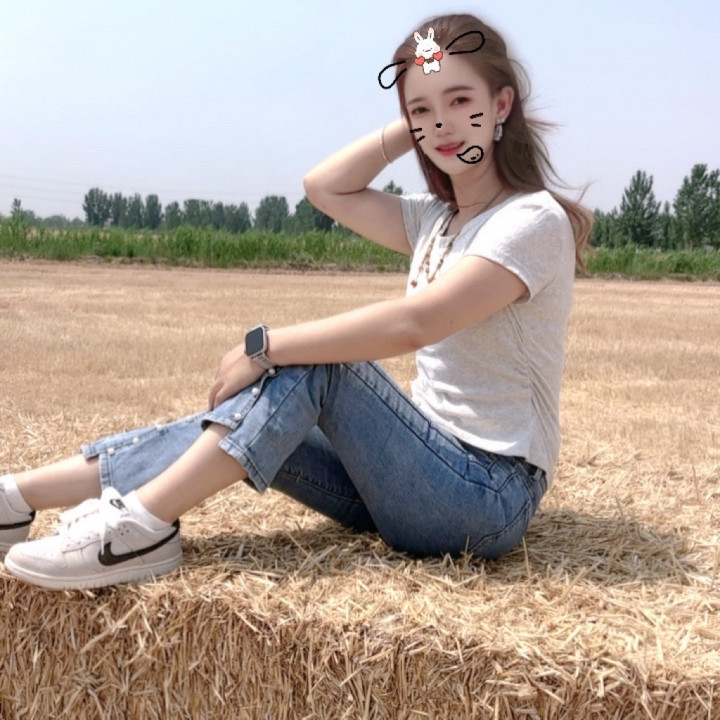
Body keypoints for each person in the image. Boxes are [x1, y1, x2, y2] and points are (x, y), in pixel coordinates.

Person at [0, 12, 591, 590]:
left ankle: (140, 527)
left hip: (485, 497)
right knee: (245, 415)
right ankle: (16, 497)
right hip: (409, 475)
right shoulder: (435, 220)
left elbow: (417, 323)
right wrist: (413, 121)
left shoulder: (530, 219)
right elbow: (324, 187)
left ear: (502, 105)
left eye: (461, 101)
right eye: (422, 111)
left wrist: (266, 345)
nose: (442, 123)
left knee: (320, 364)